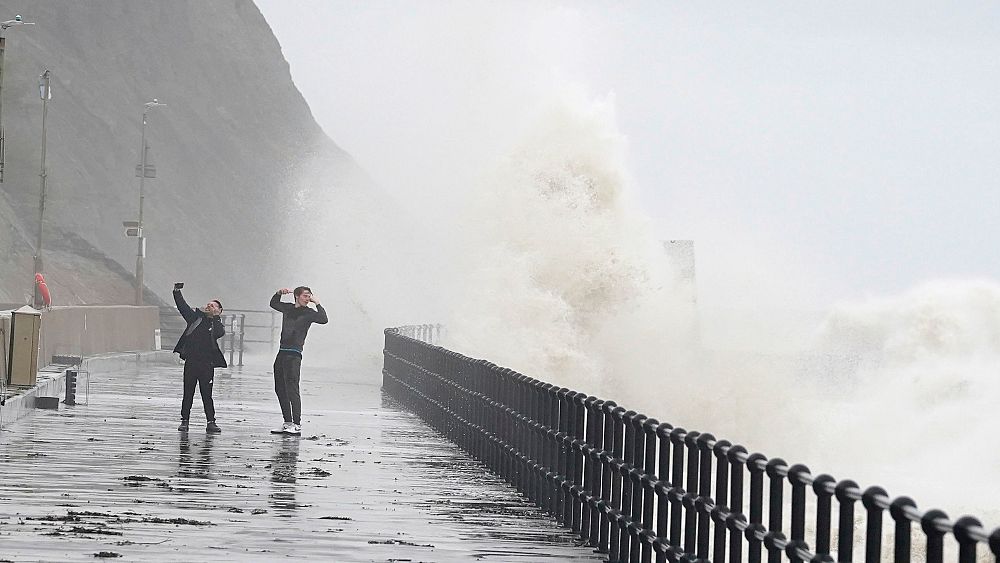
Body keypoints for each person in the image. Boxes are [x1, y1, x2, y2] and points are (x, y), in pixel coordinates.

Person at [269, 286, 328, 436]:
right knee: (280, 388)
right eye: (305, 296)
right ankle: (287, 422)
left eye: (309, 296)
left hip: (294, 354)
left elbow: (324, 319)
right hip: (282, 352)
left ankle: (297, 423)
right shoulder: (288, 308)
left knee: (292, 388)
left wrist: (318, 303)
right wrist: (278, 293)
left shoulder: (309, 313)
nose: (308, 298)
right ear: (296, 296)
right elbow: (273, 303)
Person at [172, 283, 227, 433]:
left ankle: (211, 422)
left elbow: (219, 333)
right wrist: (177, 292)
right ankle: (184, 421)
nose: (210, 306)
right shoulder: (195, 318)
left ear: (219, 311)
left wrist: (215, 317)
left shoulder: (216, 324)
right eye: (209, 304)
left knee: (206, 394)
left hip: (207, 365)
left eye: (214, 306)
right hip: (191, 362)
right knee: (188, 392)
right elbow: (182, 307)